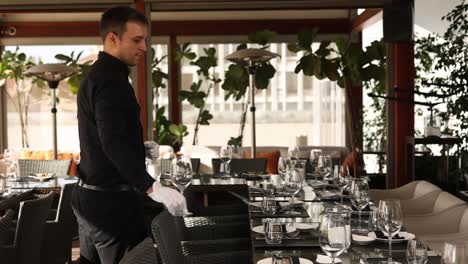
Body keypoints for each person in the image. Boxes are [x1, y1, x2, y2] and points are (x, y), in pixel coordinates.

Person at [72, 6, 186, 264]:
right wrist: (150, 186)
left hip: (89, 196)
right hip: (109, 204)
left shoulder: (96, 76)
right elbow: (111, 140)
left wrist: (136, 146)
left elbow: (101, 136)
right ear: (112, 39)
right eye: (136, 40)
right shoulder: (111, 80)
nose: (144, 47)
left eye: (144, 39)